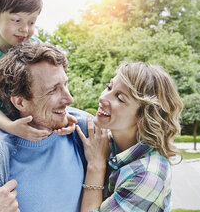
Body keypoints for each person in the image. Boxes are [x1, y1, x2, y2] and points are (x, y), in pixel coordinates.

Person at [0, 0, 75, 190]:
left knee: (84, 121)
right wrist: (10, 127)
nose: (25, 29)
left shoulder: (35, 49)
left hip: (31, 110)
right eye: (16, 20)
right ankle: (0, 197)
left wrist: (63, 115)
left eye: (32, 22)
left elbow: (53, 86)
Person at [0, 42, 90, 212]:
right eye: (53, 90)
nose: (69, 99)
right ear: (20, 102)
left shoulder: (82, 142)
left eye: (65, 85)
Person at [76, 62, 183, 212]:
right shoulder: (109, 143)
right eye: (109, 86)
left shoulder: (147, 175)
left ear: (145, 116)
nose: (102, 98)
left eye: (119, 98)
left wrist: (96, 165)